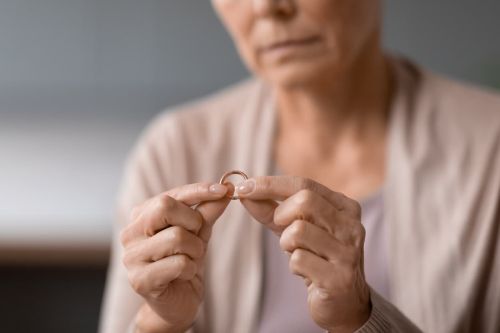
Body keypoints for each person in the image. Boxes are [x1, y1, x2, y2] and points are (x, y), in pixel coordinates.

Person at [99, 1, 500, 332]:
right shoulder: (173, 150)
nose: (267, 7)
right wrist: (161, 322)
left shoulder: (490, 152)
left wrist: (359, 318)